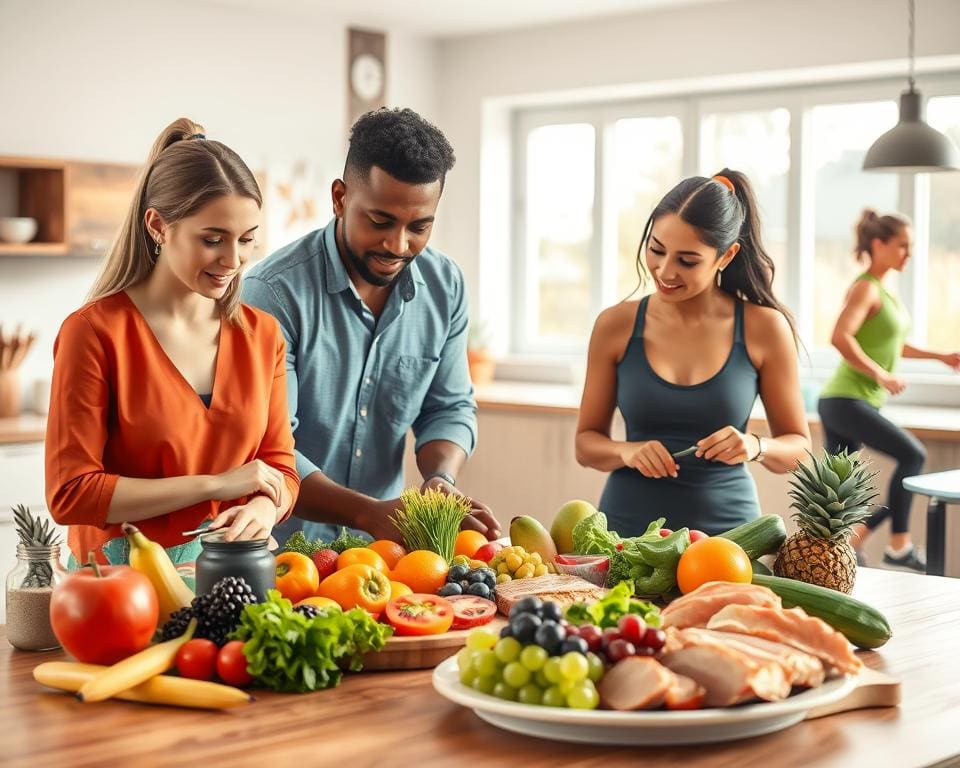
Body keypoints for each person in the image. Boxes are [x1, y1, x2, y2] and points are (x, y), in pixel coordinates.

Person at [45, 118, 300, 567]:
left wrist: (264, 506)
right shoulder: (93, 332)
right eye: (212, 239)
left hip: (232, 576)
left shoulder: (263, 335)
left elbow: (280, 469)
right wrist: (217, 484)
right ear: (158, 226)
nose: (233, 260)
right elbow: (72, 493)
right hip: (117, 590)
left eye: (246, 240)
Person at [243, 108, 500, 545]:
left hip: (383, 555)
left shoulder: (446, 285)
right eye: (380, 222)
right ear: (340, 198)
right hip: (280, 550)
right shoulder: (272, 292)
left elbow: (448, 408)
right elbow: (269, 447)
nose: (398, 245)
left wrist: (441, 479)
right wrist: (369, 512)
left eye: (419, 227)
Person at [575, 170, 811, 537]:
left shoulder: (764, 327)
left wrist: (756, 445)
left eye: (687, 260)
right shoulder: (615, 325)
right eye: (656, 250)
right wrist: (627, 451)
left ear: (726, 256)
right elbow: (586, 444)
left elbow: (799, 449)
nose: (665, 271)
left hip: (730, 541)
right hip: (626, 536)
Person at [819, 210, 960, 572]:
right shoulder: (865, 287)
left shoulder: (883, 292)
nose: (908, 255)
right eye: (902, 246)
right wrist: (880, 374)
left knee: (840, 495)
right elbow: (840, 336)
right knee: (912, 454)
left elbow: (894, 344)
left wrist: (939, 356)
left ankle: (844, 549)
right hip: (845, 399)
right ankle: (898, 544)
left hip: (851, 401)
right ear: (878, 245)